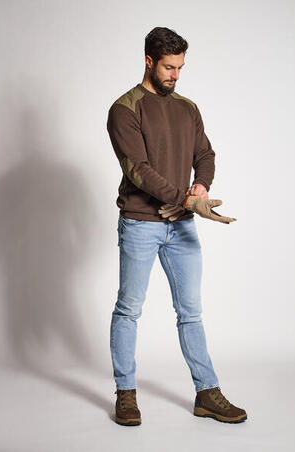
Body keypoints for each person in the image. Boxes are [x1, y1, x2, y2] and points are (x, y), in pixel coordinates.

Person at [106, 26, 247, 426]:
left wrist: (200, 187)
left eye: (181, 67)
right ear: (149, 61)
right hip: (141, 223)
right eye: (169, 67)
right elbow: (138, 170)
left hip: (182, 225)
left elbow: (205, 154)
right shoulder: (125, 109)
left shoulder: (187, 108)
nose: (175, 75)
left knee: (191, 313)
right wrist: (185, 200)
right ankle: (126, 393)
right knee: (129, 309)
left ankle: (207, 393)